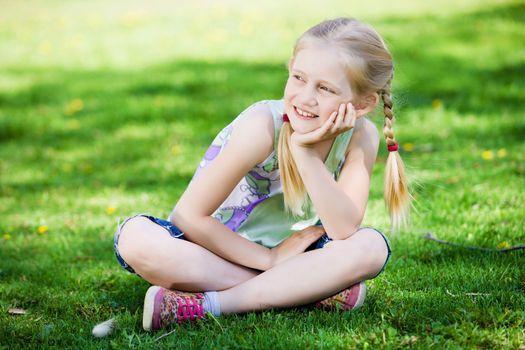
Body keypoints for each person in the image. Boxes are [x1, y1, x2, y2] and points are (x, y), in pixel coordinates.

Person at [114, 17, 411, 331]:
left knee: (371, 248)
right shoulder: (262, 125)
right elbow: (187, 217)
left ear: (362, 104)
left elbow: (342, 229)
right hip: (214, 252)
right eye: (299, 77)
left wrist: (304, 153)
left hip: (298, 254)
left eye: (325, 88)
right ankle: (300, 290)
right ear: (291, 67)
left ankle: (210, 304)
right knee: (136, 239)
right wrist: (269, 262)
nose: (305, 97)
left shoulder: (361, 136)